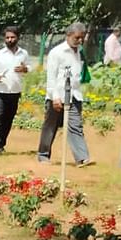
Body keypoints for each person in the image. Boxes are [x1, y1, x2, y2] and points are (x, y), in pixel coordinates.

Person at [38, 22, 92, 167]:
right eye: (77, 38)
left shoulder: (79, 51)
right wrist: (55, 96)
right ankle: (43, 155)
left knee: (75, 126)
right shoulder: (57, 53)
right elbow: (51, 77)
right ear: (68, 36)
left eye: (82, 38)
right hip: (57, 95)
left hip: (74, 95)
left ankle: (81, 157)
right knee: (50, 126)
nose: (80, 41)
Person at [0, 26, 29, 155]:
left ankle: (1, 146)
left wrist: (25, 69)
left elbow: (29, 67)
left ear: (18, 38)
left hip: (14, 92)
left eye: (12, 37)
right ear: (4, 39)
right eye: (7, 37)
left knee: (8, 120)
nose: (10, 40)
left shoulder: (23, 54)